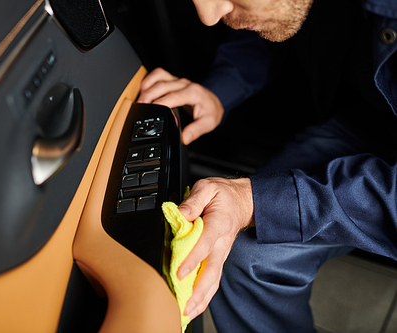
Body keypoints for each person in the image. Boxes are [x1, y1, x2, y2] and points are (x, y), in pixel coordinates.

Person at [137, 0, 397, 331]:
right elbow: (277, 17)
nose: (208, 16)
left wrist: (253, 201)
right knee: (245, 252)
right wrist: (220, 90)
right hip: (369, 122)